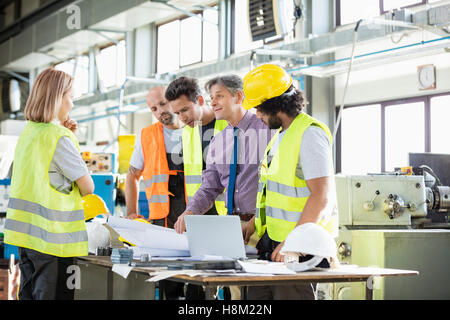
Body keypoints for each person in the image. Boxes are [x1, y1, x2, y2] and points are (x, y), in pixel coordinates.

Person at [241, 64, 339, 300]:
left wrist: (292, 244)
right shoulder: (280, 137)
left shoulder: (309, 134)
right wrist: (253, 225)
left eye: (259, 109)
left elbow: (321, 196)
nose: (257, 115)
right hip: (274, 246)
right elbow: (275, 194)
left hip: (298, 250)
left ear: (275, 105)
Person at [4, 68, 94, 300]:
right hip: (54, 240)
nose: (72, 104)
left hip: (27, 238)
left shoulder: (29, 133)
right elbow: (88, 187)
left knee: (28, 295)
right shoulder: (59, 137)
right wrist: (69, 140)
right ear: (58, 97)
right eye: (71, 97)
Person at [125, 86, 186, 299]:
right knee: (169, 284)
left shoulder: (198, 130)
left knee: (200, 285)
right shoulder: (147, 136)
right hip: (163, 221)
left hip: (198, 216)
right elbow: (132, 176)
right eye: (154, 109)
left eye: (162, 104)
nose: (160, 111)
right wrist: (131, 212)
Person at [165, 76, 228, 216]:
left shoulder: (228, 124)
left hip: (227, 210)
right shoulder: (187, 132)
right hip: (198, 210)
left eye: (185, 110)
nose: (182, 118)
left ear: (200, 100)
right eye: (177, 113)